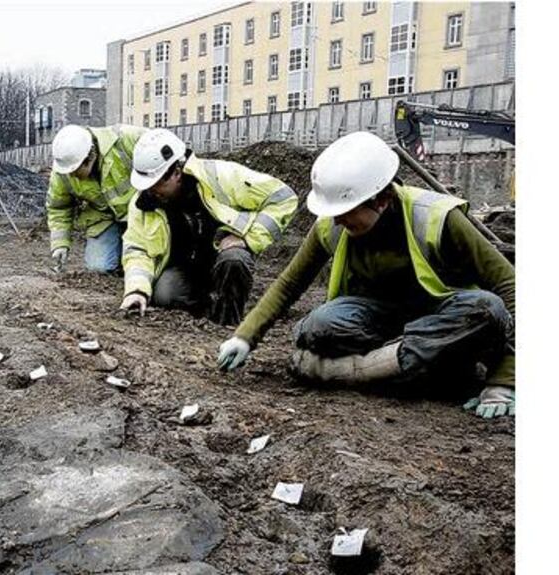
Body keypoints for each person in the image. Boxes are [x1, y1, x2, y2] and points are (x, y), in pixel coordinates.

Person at [215, 131, 515, 419]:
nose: (337, 220)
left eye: (346, 211)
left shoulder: (437, 217)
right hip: (378, 324)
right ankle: (423, 369)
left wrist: (504, 378)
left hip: (439, 319)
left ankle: (347, 372)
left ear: (381, 199)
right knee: (318, 326)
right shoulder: (332, 225)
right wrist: (244, 337)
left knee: (487, 309)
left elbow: (509, 286)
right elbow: (288, 284)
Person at [119, 129, 298, 324]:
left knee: (235, 260)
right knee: (164, 294)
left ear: (177, 172)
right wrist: (136, 290)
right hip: (183, 267)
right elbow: (137, 249)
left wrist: (247, 239)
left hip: (223, 258)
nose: (151, 191)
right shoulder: (143, 203)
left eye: (155, 184)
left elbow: (283, 197)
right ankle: (205, 310)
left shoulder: (220, 176)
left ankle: (229, 320)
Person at [46, 124, 147, 273]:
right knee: (98, 268)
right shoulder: (63, 171)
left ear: (90, 156)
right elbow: (58, 207)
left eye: (75, 171)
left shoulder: (128, 140)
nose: (71, 175)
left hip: (141, 214)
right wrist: (60, 243)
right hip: (102, 218)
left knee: (147, 261)